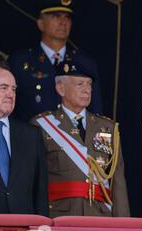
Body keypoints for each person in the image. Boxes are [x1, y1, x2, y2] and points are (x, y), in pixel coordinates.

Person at [31, 59, 130, 218]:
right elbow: (34, 181)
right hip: (60, 217)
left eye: (89, 84)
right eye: (80, 84)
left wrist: (124, 227)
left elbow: (118, 183)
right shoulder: (41, 125)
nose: (87, 90)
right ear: (60, 88)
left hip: (100, 216)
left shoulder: (107, 128)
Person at [8, 0, 103, 122]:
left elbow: (95, 114)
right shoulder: (20, 61)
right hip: (32, 138)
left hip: (74, 140)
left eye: (67, 17)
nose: (63, 22)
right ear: (41, 23)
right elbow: (9, 110)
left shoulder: (85, 62)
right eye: (56, 16)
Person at [0, 62, 48, 215]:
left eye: (13, 89)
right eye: (3, 88)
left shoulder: (32, 136)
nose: (11, 94)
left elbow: (40, 194)